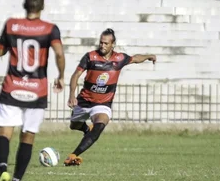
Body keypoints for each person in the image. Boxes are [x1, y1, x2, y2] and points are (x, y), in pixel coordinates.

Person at [0, 0, 65, 181]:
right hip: (37, 90)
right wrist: (61, 75)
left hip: (12, 87)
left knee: (5, 133)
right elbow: (59, 53)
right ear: (42, 7)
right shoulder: (50, 29)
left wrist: (10, 45)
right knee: (28, 137)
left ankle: (2, 172)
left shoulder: (11, 25)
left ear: (25, 5)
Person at [64, 28, 156, 166]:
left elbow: (136, 58)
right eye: (101, 43)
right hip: (84, 101)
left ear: (113, 44)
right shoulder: (90, 57)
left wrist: (148, 56)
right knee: (74, 125)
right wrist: (72, 95)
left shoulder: (119, 59)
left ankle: (73, 155)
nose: (102, 45)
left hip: (103, 104)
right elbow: (76, 75)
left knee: (99, 126)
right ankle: (85, 129)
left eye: (106, 43)